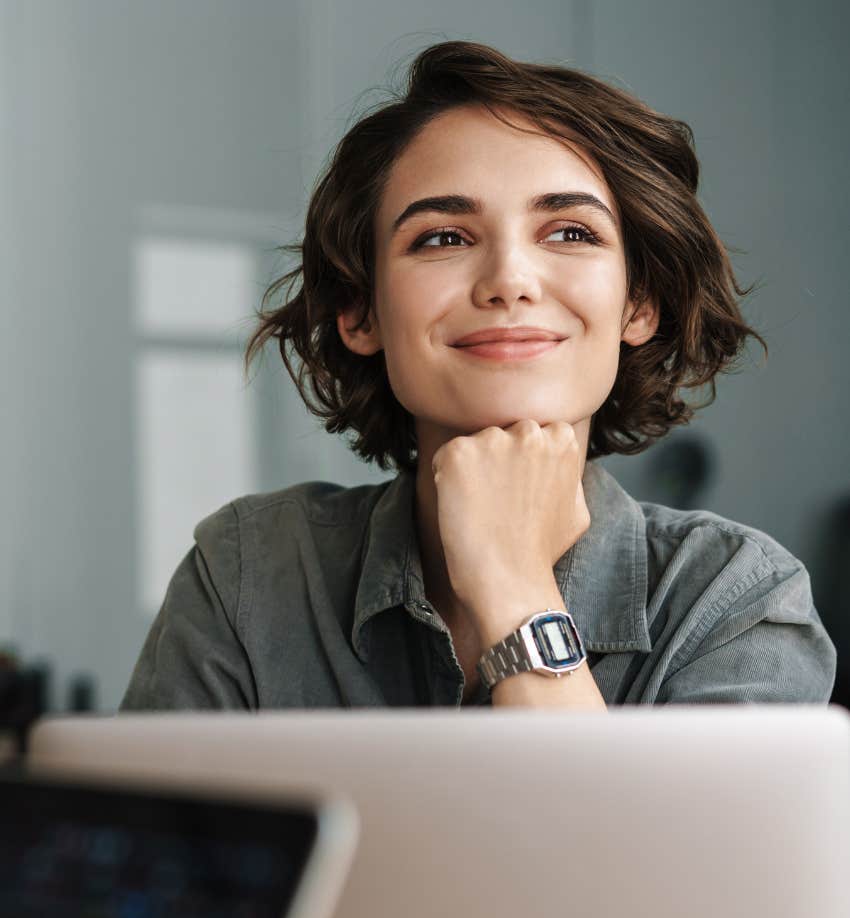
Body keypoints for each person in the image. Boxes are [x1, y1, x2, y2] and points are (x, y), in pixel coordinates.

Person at [120, 40, 835, 712]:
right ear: (359, 311)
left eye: (570, 233)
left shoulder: (737, 601)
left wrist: (513, 584)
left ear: (638, 303)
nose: (509, 281)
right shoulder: (247, 574)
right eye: (443, 237)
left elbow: (629, 852)